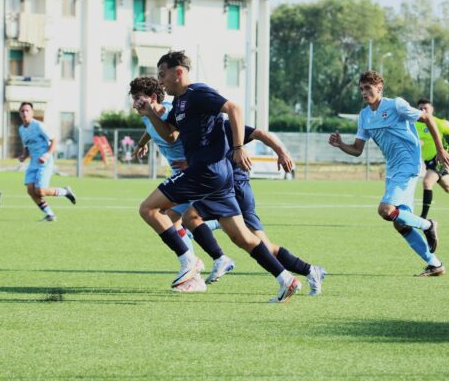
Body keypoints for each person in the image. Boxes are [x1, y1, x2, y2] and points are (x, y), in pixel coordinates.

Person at [136, 51, 301, 303]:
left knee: (149, 209)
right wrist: (149, 112)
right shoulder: (179, 104)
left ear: (179, 72)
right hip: (219, 176)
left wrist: (237, 147)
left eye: (163, 75)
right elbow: (169, 135)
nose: (161, 81)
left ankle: (189, 263)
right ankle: (285, 280)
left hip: (204, 170)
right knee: (242, 237)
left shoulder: (198, 93)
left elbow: (233, 108)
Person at [329, 71, 449, 276]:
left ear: (379, 88)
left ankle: (428, 224)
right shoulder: (364, 116)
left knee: (385, 210)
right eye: (361, 89)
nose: (364, 92)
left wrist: (440, 150)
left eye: (368, 88)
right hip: (393, 169)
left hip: (408, 164)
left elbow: (427, 118)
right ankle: (435, 265)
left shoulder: (396, 105)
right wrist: (341, 144)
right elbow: (357, 149)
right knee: (400, 223)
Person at [184, 120, 327, 294]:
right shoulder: (195, 125)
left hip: (236, 190)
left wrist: (282, 153)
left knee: (263, 246)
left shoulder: (225, 125)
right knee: (187, 216)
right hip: (219, 189)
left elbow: (261, 134)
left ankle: (215, 259)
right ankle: (309, 271)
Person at [129, 77, 231, 289]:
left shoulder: (166, 111)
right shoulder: (148, 114)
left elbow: (171, 136)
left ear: (153, 98)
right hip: (183, 172)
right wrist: (141, 143)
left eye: (138, 98)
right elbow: (151, 128)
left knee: (156, 213)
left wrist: (148, 113)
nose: (134, 104)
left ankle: (195, 261)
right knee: (174, 220)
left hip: (193, 172)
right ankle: (197, 271)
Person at [17, 102, 76, 221]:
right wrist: (24, 155)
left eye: (27, 110)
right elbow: (27, 146)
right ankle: (50, 214)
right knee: (30, 190)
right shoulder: (21, 129)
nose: (25, 113)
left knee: (41, 191)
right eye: (22, 111)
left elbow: (54, 140)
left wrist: (47, 155)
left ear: (32, 113)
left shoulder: (38, 125)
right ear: (19, 113)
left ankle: (65, 191)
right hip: (33, 162)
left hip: (45, 162)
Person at [416, 98, 449, 220]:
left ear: (432, 110)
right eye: (420, 109)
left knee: (427, 182)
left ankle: (423, 217)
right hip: (428, 161)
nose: (423, 110)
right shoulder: (415, 124)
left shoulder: (439, 123)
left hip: (440, 158)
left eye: (425, 108)